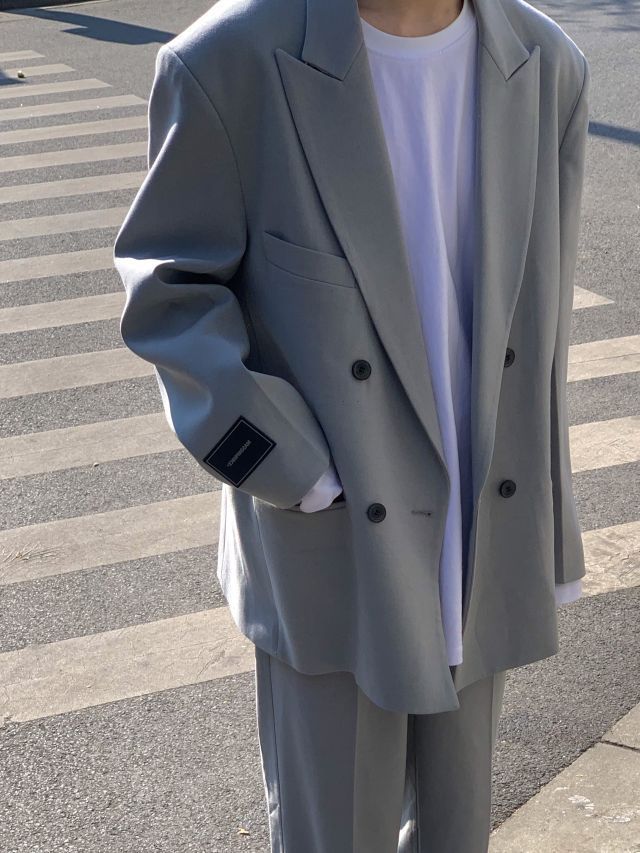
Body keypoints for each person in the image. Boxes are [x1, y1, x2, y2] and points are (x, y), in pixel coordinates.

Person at [113, 0, 590, 848]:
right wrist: (298, 471)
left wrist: (547, 522)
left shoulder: (545, 62)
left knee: (459, 829)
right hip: (335, 527)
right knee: (334, 830)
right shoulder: (230, 59)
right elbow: (170, 297)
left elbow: (539, 324)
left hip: (483, 523)